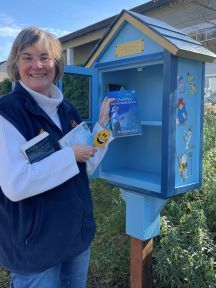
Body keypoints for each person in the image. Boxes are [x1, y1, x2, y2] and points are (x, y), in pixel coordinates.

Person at [0, 27, 114, 288]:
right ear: (16, 64)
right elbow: (16, 185)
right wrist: (68, 156)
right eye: (27, 57)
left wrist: (103, 127)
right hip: (36, 250)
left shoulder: (66, 109)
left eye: (45, 57)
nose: (37, 65)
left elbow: (88, 162)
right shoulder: (7, 113)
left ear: (56, 63)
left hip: (75, 239)